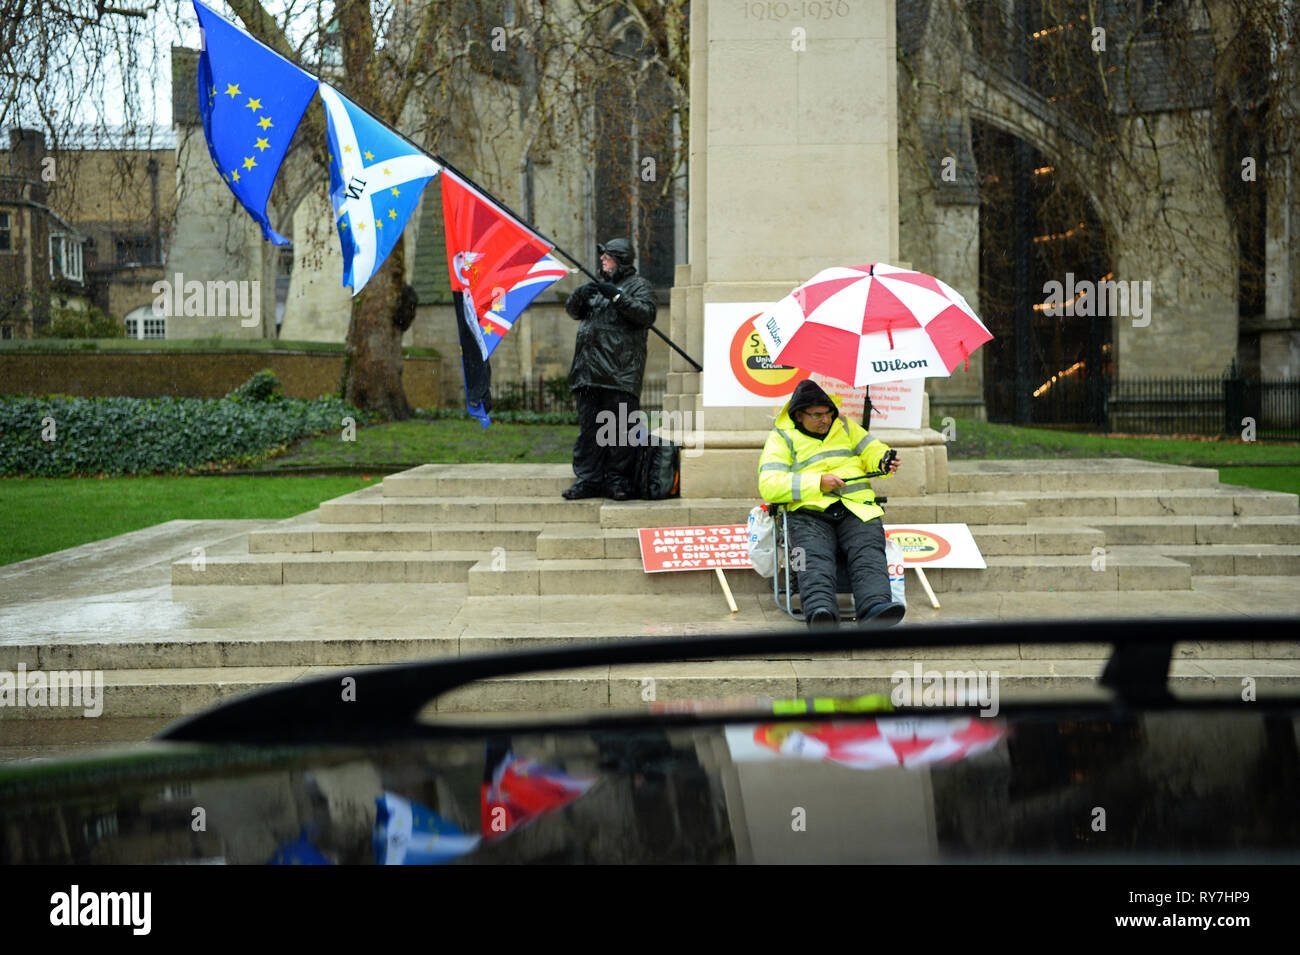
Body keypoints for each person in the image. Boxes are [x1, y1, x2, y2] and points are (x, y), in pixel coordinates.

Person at [758, 379, 905, 629]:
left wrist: (882, 460)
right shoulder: (781, 437)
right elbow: (769, 484)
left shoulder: (845, 426)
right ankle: (820, 612)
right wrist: (817, 483)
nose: (825, 420)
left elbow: (872, 449)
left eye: (828, 414)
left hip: (855, 507)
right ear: (799, 415)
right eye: (817, 415)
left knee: (868, 551)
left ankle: (876, 609)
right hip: (808, 512)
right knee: (811, 557)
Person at [562, 238, 657, 500]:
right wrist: (580, 296)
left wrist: (616, 296)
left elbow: (645, 314)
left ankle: (618, 480)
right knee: (589, 431)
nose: (602, 259)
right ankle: (589, 479)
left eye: (608, 256)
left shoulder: (639, 286)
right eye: (602, 256)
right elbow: (574, 311)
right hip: (588, 373)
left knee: (619, 431)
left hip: (620, 374)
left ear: (621, 259)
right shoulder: (597, 285)